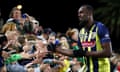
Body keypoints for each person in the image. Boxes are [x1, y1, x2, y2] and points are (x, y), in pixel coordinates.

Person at [48, 5, 112, 72]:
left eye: (81, 12)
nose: (79, 15)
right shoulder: (82, 31)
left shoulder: (100, 27)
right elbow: (77, 53)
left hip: (101, 69)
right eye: (78, 13)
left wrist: (85, 53)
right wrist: (57, 49)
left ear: (89, 13)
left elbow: (108, 52)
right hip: (86, 68)